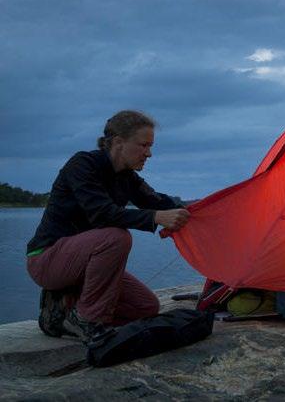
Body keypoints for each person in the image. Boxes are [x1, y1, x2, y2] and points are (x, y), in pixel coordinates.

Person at [26, 110, 190, 340]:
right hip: (46, 258)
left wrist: (203, 206)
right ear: (119, 142)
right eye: (143, 145)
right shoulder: (83, 165)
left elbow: (159, 201)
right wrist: (156, 217)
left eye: (150, 146)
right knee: (116, 237)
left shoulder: (127, 177)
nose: (149, 153)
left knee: (146, 307)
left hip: (84, 264)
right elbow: (102, 214)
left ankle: (60, 316)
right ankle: (87, 319)